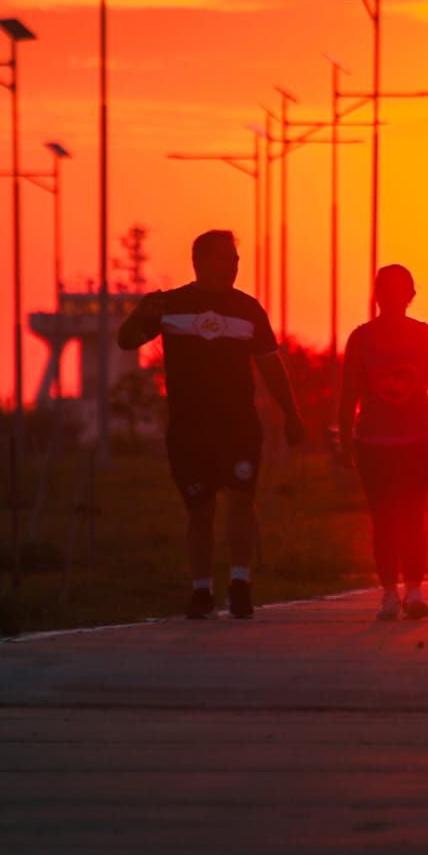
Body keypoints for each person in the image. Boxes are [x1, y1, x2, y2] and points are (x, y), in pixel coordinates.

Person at [117, 229, 305, 620]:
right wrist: (140, 313)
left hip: (238, 426)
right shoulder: (172, 305)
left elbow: (271, 365)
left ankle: (240, 584)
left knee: (240, 499)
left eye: (236, 260)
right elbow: (127, 341)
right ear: (200, 261)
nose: (233, 266)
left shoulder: (248, 309)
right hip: (189, 428)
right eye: (225, 259)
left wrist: (291, 413)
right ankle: (201, 590)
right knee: (199, 510)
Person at [338, 265, 428, 621]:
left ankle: (414, 591)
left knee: (412, 517)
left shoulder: (424, 336)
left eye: (399, 288)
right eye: (384, 288)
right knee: (383, 518)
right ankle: (389, 594)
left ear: (411, 295)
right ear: (376, 294)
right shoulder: (361, 338)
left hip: (417, 440)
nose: (391, 295)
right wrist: (345, 443)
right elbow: (348, 395)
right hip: (373, 442)